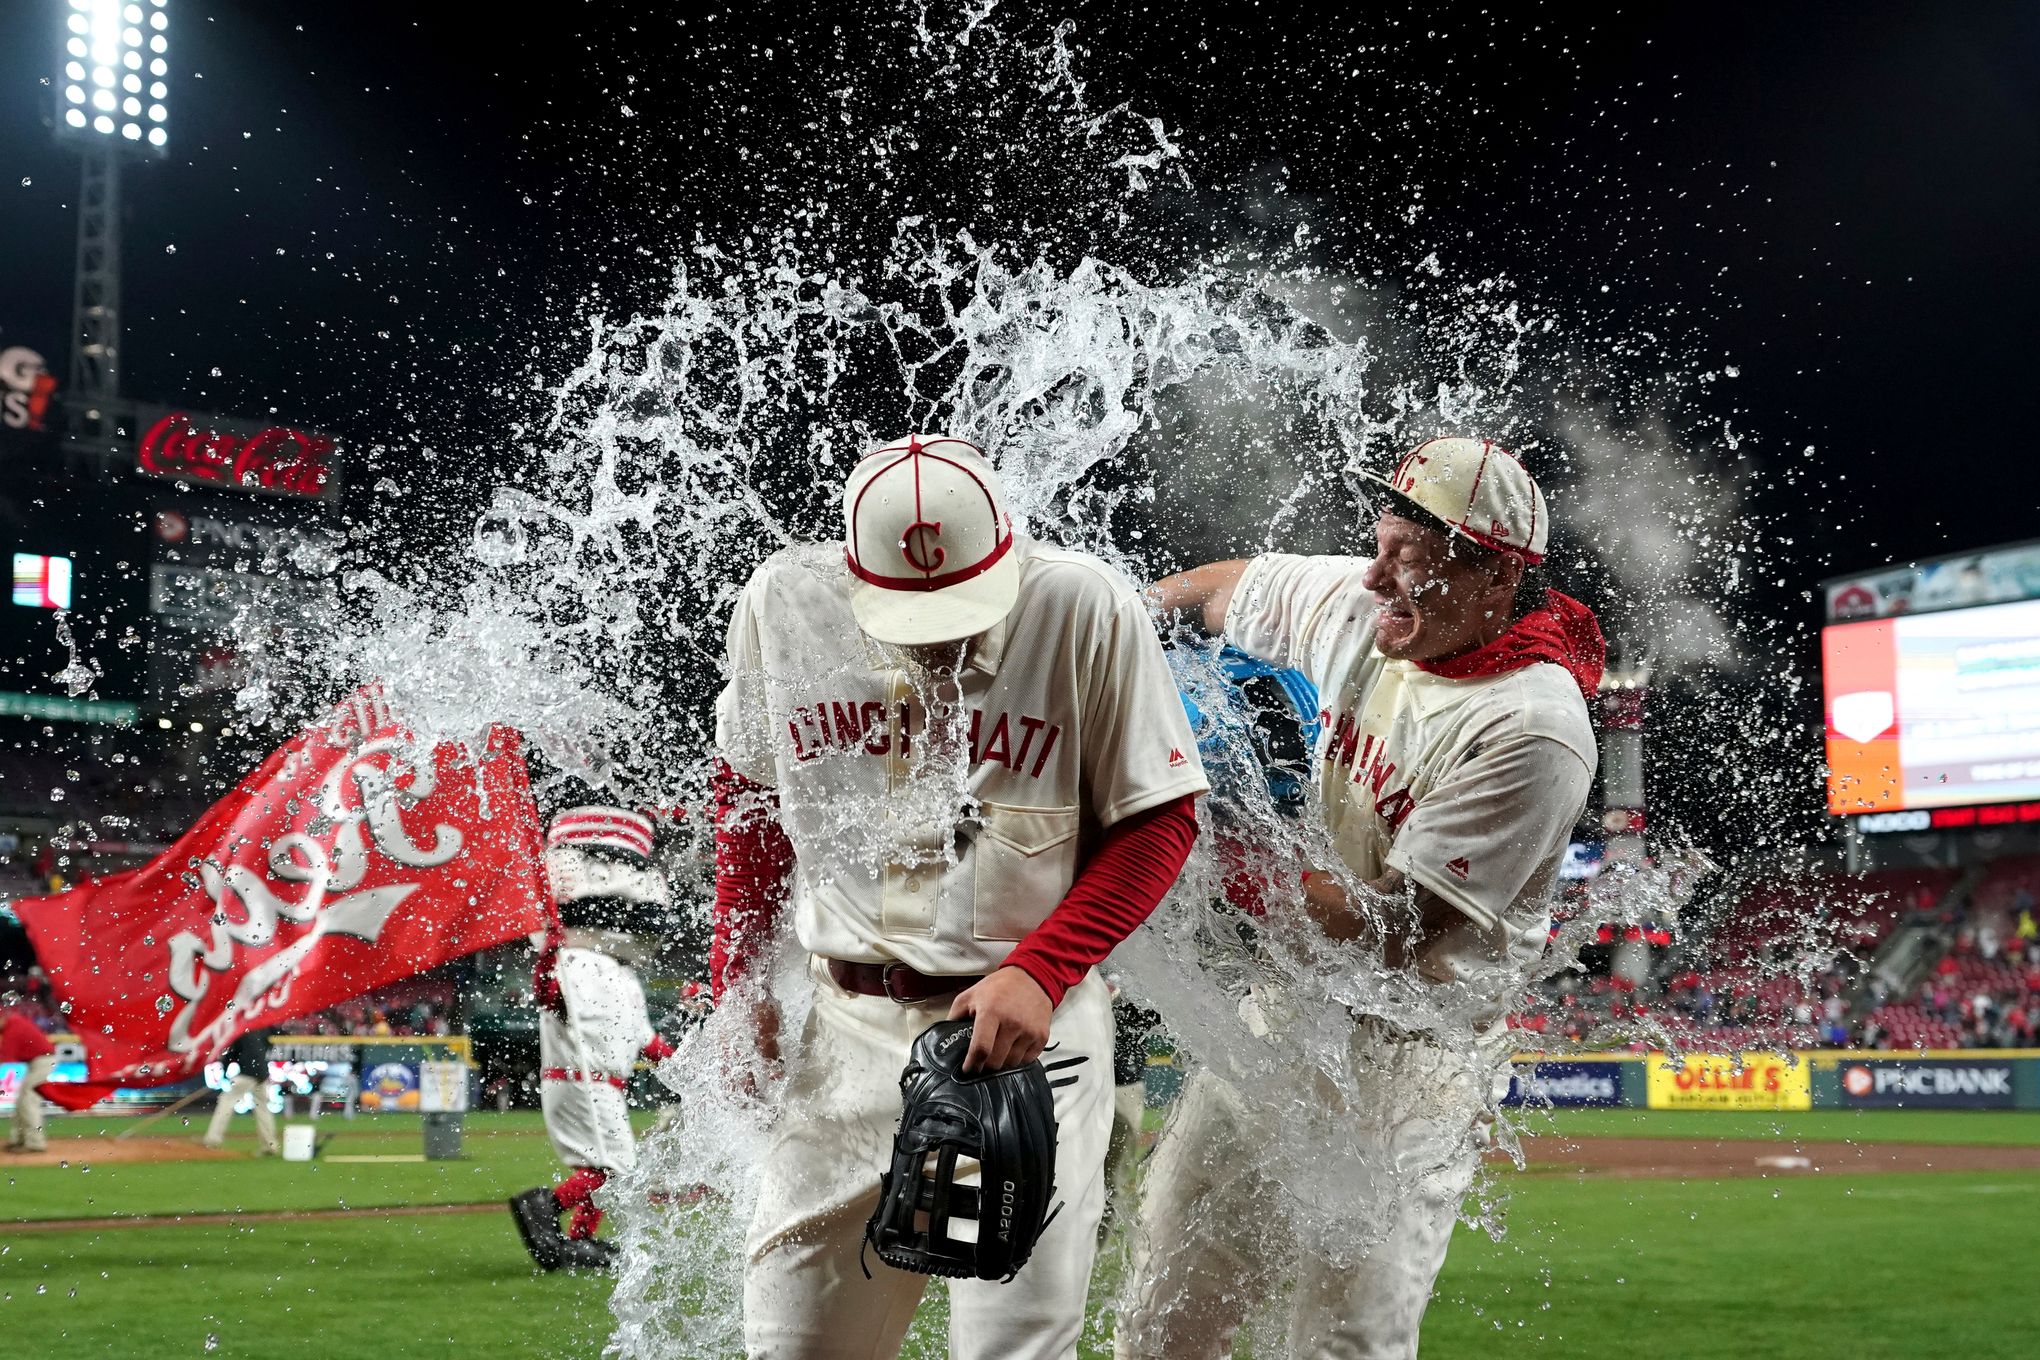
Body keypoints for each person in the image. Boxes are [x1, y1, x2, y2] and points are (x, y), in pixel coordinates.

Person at [712, 433, 1208, 1360]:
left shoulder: (1080, 602)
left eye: (963, 606)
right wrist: (738, 987)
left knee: (1012, 1353)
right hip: (842, 1030)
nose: (943, 633)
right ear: (857, 578)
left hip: (1029, 1031)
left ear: (1006, 550)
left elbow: (1160, 820)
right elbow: (745, 804)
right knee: (791, 1347)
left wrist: (1045, 971)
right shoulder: (784, 600)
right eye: (915, 612)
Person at [1120, 436, 1603, 1360]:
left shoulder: (1534, 729)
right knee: (1163, 1323)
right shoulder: (1372, 602)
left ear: (1495, 580)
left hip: (1412, 1053)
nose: (1374, 579)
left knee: (1341, 1346)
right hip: (1287, 1011)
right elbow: (1225, 587)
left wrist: (1211, 834)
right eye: (1378, 546)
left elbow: (1387, 931)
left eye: (1407, 564)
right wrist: (1119, 633)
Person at [509, 805, 676, 1273]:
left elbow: (649, 1042)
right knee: (617, 1171)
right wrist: (551, 950)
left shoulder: (622, 977)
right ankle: (542, 1204)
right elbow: (551, 994)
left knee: (602, 1168)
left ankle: (581, 1239)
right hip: (580, 1079)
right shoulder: (570, 963)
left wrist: (694, 1073)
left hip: (602, 1084)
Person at [202, 1027, 280, 1155]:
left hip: (247, 1073)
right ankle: (270, 1146)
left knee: (226, 1101)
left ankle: (213, 1139)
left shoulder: (240, 1027)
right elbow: (268, 1044)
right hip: (262, 1072)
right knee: (263, 1108)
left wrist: (225, 1072)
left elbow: (231, 1052)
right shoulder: (260, 1026)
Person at [3, 1004, 57, 1154]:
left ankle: (35, 1143)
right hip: (39, 1061)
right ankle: (19, 1139)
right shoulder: (13, 1022)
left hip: (43, 1061)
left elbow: (5, 1057)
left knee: (28, 1100)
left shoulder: (12, 1028)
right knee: (22, 1100)